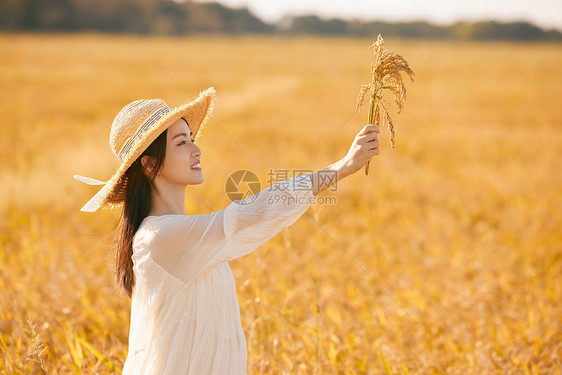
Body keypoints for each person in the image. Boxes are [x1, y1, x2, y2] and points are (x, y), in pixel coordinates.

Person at [73, 87, 381, 374]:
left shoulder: (182, 236)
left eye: (191, 137)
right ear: (150, 165)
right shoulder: (158, 237)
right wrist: (341, 168)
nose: (197, 149)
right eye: (182, 143)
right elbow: (249, 215)